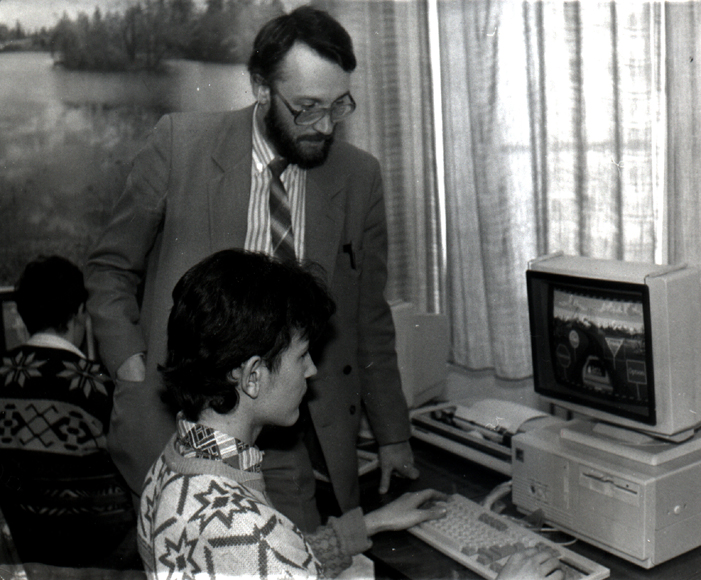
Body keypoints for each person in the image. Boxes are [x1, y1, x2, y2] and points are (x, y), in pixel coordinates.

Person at [85, 5, 417, 532]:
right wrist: (131, 364)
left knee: (299, 557)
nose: (325, 126)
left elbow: (368, 317)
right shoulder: (179, 145)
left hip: (283, 433)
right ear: (261, 88)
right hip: (177, 424)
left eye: (339, 105)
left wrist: (393, 433)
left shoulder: (359, 177)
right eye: (306, 108)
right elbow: (110, 268)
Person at [138, 249, 564, 580]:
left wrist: (368, 525)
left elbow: (267, 562)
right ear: (252, 376)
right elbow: (264, 553)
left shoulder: (174, 465)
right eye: (301, 356)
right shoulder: (248, 531)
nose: (312, 370)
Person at [0, 256, 136, 568]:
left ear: (23, 313)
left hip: (25, 551)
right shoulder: (98, 384)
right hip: (100, 558)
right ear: (79, 312)